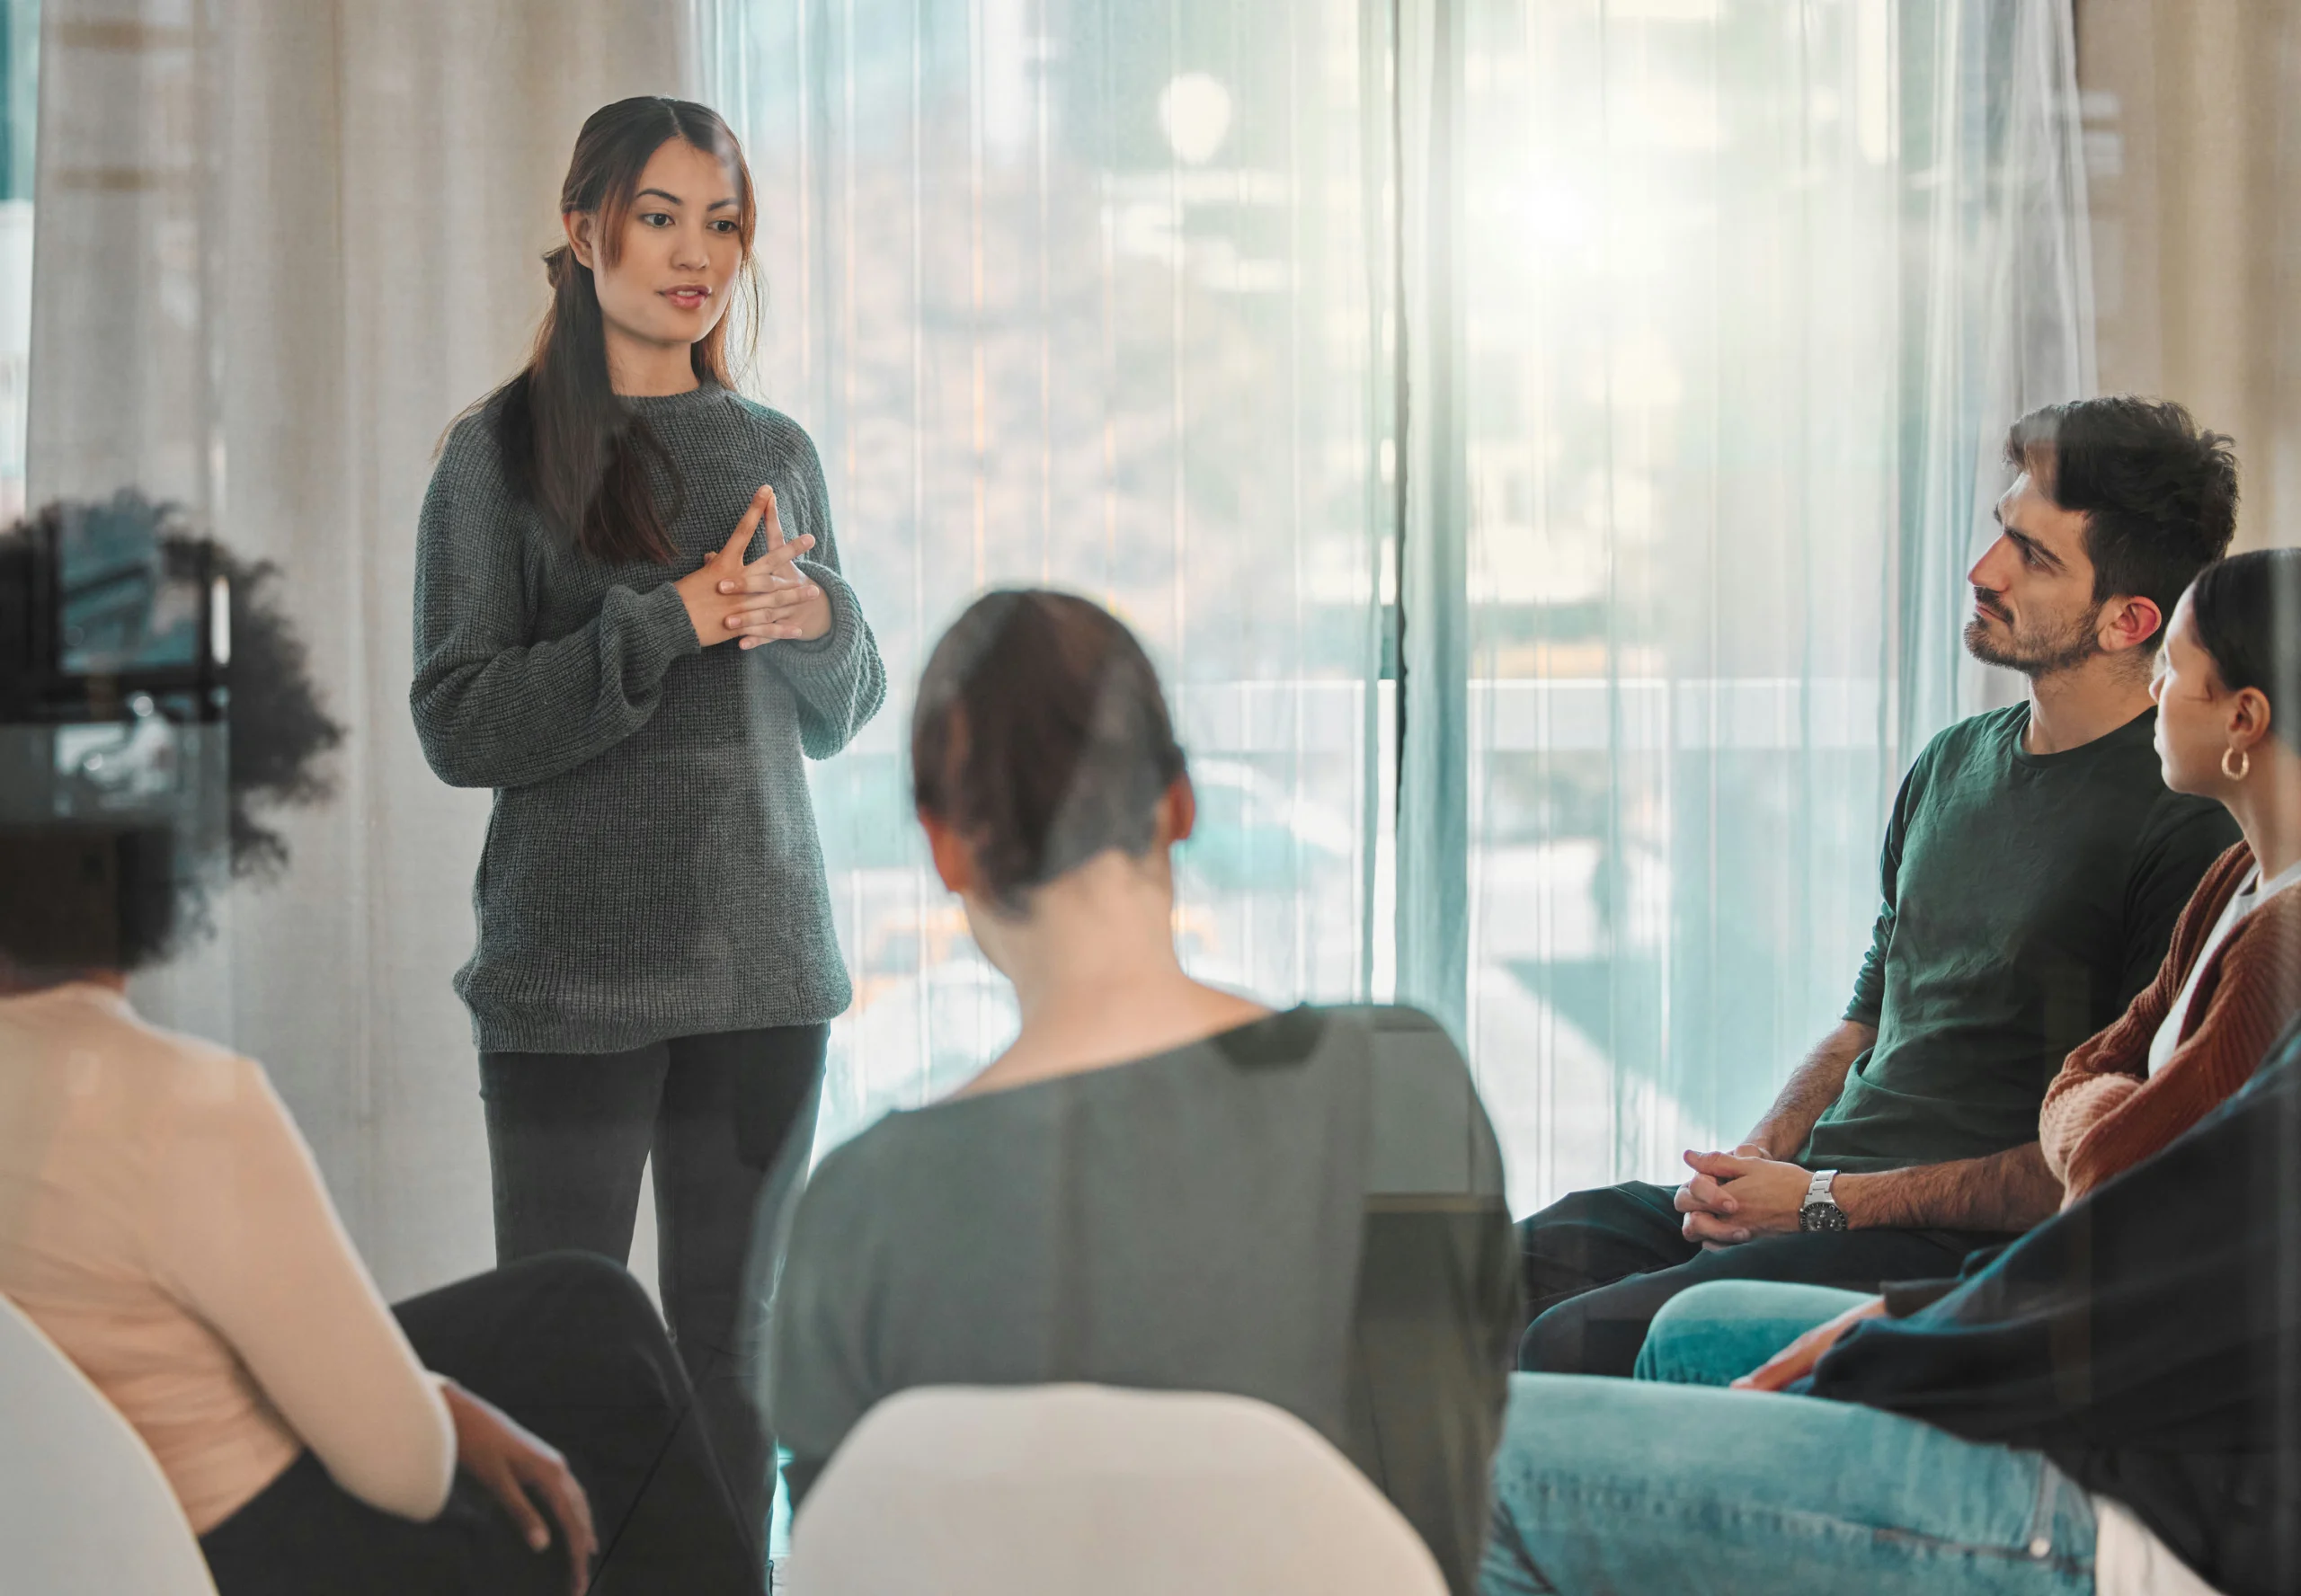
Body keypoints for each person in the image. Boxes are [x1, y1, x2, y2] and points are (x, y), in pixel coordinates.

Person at [0, 507, 762, 1595]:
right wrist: (432, 1413)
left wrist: (432, 1389)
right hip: (246, 1549)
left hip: (76, 1524)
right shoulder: (184, 1108)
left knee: (579, 1310)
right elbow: (405, 1473)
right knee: (589, 1415)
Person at [762, 590, 1520, 1595]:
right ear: (1179, 803)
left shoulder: (852, 1211)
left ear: (945, 847)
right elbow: (1442, 1504)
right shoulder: (1403, 1087)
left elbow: (849, 1555)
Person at [1517, 396, 2242, 1376]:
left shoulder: (2182, 826)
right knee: (1493, 1273)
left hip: (1940, 1249)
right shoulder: (1952, 763)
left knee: (1576, 1342)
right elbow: (1865, 1021)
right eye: (2001, 532)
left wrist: (1819, 1201)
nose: (1982, 571)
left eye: (2033, 557)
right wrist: (1758, 1165)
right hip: (1814, 1202)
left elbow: (2097, 1168)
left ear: (2129, 621)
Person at [410, 94, 884, 1534]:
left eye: (723, 223)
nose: (697, 255)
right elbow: (461, 719)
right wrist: (664, 621)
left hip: (765, 978)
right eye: (661, 217)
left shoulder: (774, 446)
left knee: (734, 1364)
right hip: (567, 991)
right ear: (583, 230)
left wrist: (812, 617)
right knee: (559, 1367)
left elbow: (844, 705)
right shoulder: (493, 457)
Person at [1480, 1013, 2301, 1596]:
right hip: (2051, 1353)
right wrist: (1751, 1166)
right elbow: (1864, 1021)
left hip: (2134, 1504)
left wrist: (1897, 1315)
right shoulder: (2226, 897)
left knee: (1500, 1450)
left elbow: (2131, 1244)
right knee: (1621, 1310)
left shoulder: (2258, 930)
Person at [2039, 547, 2301, 1202]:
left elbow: (2118, 1173)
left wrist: (2110, 1119)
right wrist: (2121, 1112)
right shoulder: (2234, 877)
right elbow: (2081, 1071)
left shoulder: (2283, 940)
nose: (2156, 689)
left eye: (2174, 666)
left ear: (2243, 718)